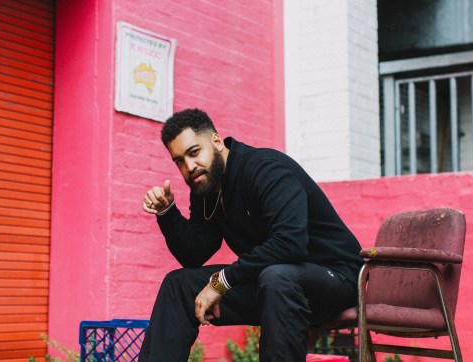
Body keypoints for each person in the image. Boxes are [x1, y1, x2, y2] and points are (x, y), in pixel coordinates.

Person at [139, 108, 363, 362]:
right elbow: (195, 253)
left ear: (216, 141)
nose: (189, 167)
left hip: (337, 278)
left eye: (194, 152)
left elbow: (290, 243)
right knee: (179, 285)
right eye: (179, 161)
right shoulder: (206, 187)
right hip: (274, 285)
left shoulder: (265, 168)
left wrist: (222, 281)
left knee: (277, 276)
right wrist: (167, 212)